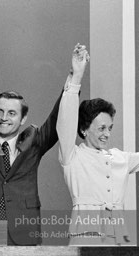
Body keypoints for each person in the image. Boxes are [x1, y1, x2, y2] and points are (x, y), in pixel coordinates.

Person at [0, 47, 65, 245]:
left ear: (23, 118)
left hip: (21, 233)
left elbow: (58, 118)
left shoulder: (34, 143)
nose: (4, 118)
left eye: (11, 113)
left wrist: (74, 78)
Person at [57, 44, 137, 245]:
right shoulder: (72, 156)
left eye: (109, 128)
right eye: (101, 128)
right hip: (86, 232)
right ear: (84, 128)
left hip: (120, 235)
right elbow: (65, 121)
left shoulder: (121, 158)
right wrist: (76, 76)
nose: (107, 134)